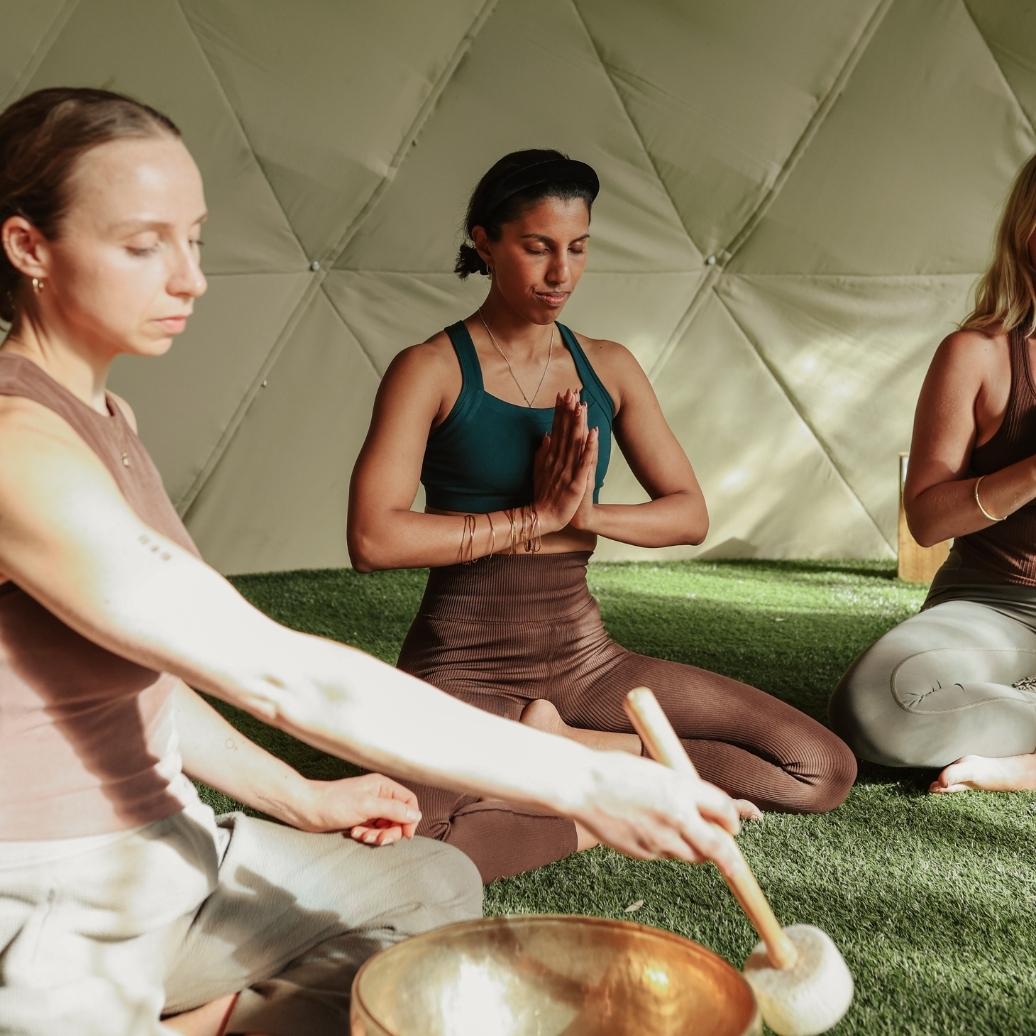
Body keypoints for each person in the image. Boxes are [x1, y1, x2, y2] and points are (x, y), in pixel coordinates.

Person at [0, 91, 744, 1036]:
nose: (190, 277)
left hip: (176, 855)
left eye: (194, 239)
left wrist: (299, 795)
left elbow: (140, 680)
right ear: (28, 247)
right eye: (145, 245)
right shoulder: (16, 444)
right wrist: (582, 782)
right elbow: (277, 671)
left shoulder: (106, 417)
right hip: (60, 895)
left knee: (434, 880)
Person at [348, 148, 857, 883]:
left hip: (585, 659)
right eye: (538, 247)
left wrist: (582, 514)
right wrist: (534, 517)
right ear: (484, 242)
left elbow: (688, 515)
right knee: (409, 832)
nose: (561, 272)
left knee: (819, 769)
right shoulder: (429, 369)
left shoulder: (609, 366)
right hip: (463, 663)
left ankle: (569, 748)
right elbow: (373, 538)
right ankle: (600, 779)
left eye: (578, 248)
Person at [830, 151, 1036, 795]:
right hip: (998, 605)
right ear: (1029, 231)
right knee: (876, 707)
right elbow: (926, 520)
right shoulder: (977, 355)